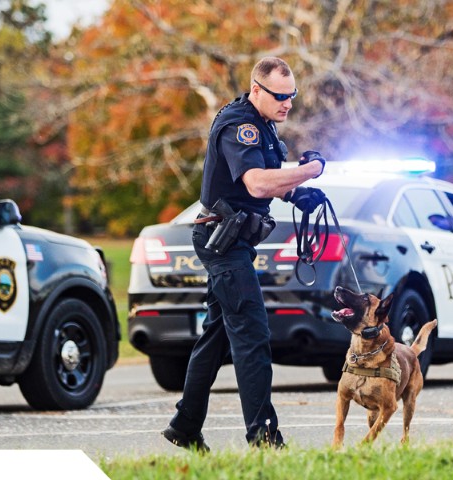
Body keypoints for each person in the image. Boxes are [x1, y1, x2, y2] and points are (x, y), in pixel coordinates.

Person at [161, 57, 326, 451]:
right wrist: (310, 171)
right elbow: (254, 183)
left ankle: (184, 426)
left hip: (233, 241)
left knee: (217, 336)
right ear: (256, 90)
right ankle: (264, 437)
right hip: (223, 244)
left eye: (292, 96)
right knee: (252, 334)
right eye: (279, 96)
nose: (287, 103)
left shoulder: (265, 126)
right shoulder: (241, 126)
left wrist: (296, 193)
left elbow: (266, 180)